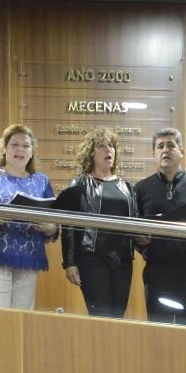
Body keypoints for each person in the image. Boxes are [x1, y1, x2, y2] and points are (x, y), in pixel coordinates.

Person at [0, 124, 57, 309]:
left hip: (29, 259)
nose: (20, 150)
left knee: (22, 322)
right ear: (4, 148)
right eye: (15, 144)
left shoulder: (42, 181)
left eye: (26, 146)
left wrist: (50, 227)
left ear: (32, 152)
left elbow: (54, 221)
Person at [134, 128, 186, 326]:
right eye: (160, 146)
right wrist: (141, 244)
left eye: (171, 145)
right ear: (154, 154)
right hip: (157, 268)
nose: (165, 150)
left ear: (181, 151)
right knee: (158, 328)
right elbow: (134, 229)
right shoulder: (141, 188)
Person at [58, 126, 137, 318]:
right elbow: (68, 226)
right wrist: (69, 262)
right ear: (91, 153)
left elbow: (135, 221)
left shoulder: (126, 186)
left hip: (123, 260)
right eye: (102, 146)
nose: (108, 150)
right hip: (91, 258)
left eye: (111, 146)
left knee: (118, 315)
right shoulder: (80, 184)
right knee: (100, 316)